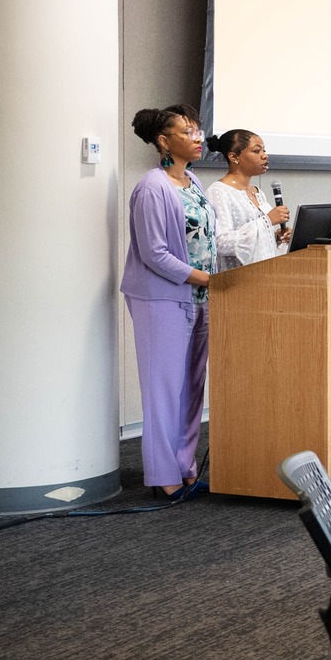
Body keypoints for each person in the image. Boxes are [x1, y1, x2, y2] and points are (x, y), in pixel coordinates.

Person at [123, 105, 215, 500]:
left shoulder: (192, 181)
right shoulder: (152, 187)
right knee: (164, 389)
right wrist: (205, 278)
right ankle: (163, 476)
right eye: (187, 131)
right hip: (161, 298)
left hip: (201, 297)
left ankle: (185, 465)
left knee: (192, 387)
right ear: (164, 142)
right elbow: (154, 253)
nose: (197, 137)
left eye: (197, 130)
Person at [204, 128, 291, 270]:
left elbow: (255, 240)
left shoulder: (258, 192)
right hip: (236, 282)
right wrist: (267, 221)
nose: (265, 156)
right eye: (257, 151)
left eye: (264, 150)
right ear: (234, 157)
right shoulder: (219, 191)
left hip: (264, 277)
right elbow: (221, 243)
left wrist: (276, 237)